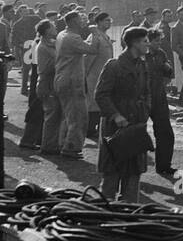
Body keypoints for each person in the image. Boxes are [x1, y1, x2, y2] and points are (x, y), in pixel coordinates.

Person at [94, 27, 153, 203]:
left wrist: (145, 111)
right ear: (134, 43)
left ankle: (129, 214)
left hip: (136, 125)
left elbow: (147, 92)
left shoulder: (142, 65)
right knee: (111, 173)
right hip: (115, 127)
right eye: (145, 41)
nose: (147, 44)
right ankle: (103, 214)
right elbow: (101, 94)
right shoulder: (114, 65)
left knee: (134, 173)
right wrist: (115, 115)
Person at [54, 11, 101, 158]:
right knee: (78, 116)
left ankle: (63, 143)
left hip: (63, 79)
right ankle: (72, 147)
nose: (84, 21)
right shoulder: (72, 38)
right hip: (72, 81)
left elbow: (81, 47)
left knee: (68, 115)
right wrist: (95, 34)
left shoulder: (62, 34)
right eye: (81, 19)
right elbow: (93, 50)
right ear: (74, 21)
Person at [145, 27, 177, 179]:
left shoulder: (161, 54)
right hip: (143, 99)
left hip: (159, 97)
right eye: (156, 41)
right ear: (148, 41)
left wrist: (168, 69)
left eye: (160, 40)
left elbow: (168, 74)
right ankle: (130, 168)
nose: (159, 43)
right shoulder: (141, 55)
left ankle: (164, 166)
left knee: (165, 133)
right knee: (135, 132)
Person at [34, 19, 62, 156]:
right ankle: (48, 146)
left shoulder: (50, 43)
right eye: (52, 26)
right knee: (51, 115)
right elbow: (48, 66)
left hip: (51, 82)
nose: (55, 27)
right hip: (47, 82)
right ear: (46, 31)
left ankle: (52, 144)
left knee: (55, 114)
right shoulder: (44, 47)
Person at [84, 13, 114, 141]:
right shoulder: (94, 37)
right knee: (93, 104)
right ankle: (90, 130)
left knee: (98, 103)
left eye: (110, 20)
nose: (109, 23)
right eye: (106, 21)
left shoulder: (104, 37)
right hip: (94, 75)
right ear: (99, 22)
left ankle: (94, 128)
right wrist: (85, 75)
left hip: (102, 76)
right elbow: (88, 58)